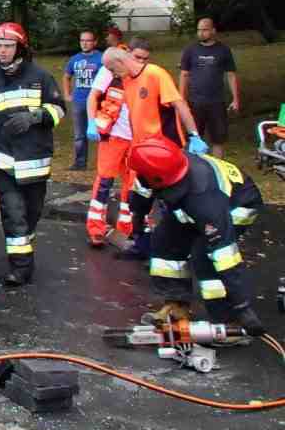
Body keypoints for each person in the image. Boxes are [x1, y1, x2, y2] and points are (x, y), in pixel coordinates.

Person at [127, 136, 264, 335]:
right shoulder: (156, 167)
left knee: (205, 257)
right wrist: (137, 224)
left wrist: (243, 307)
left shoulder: (205, 200)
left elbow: (226, 256)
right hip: (193, 202)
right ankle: (176, 305)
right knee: (165, 241)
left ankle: (227, 319)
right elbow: (142, 192)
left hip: (237, 204)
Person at [0, 22, 65, 286]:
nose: (3, 52)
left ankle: (23, 249)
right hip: (4, 162)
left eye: (8, 46)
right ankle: (20, 268)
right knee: (13, 215)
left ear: (20, 47)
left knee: (30, 215)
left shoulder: (41, 77)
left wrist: (35, 117)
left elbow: (58, 110)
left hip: (35, 161)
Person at [102, 39, 208, 259]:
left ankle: (181, 248)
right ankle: (142, 245)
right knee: (138, 203)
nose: (113, 74)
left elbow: (179, 104)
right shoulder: (128, 83)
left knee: (172, 203)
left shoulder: (155, 74)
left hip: (166, 154)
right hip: (145, 156)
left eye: (113, 69)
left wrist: (194, 135)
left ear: (121, 61)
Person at [84, 41, 133, 246]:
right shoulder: (109, 70)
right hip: (113, 135)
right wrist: (91, 122)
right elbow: (93, 96)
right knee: (105, 181)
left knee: (133, 185)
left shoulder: (145, 73)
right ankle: (96, 228)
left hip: (135, 138)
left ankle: (128, 228)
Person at [179, 18, 239, 158]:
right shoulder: (190, 50)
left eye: (205, 30)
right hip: (195, 102)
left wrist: (236, 99)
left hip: (217, 102)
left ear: (213, 31)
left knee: (218, 140)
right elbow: (184, 75)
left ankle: (218, 170)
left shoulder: (223, 50)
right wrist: (181, 99)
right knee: (194, 138)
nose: (201, 33)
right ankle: (193, 170)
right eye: (199, 30)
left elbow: (231, 75)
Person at [63, 31, 103, 170]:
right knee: (79, 135)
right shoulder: (74, 59)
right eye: (82, 40)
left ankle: (103, 163)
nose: (85, 43)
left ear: (95, 42)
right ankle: (80, 163)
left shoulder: (101, 58)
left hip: (97, 102)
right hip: (79, 102)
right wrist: (67, 94)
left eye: (88, 40)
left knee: (102, 133)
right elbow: (67, 76)